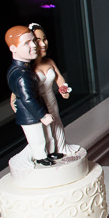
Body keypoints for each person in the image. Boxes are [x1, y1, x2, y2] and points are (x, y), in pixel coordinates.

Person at [4, 26, 55, 167]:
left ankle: (49, 153)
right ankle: (41, 157)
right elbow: (28, 99)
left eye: (33, 41)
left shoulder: (24, 70)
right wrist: (42, 116)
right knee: (37, 138)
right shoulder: (22, 75)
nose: (34, 45)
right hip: (30, 114)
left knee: (48, 135)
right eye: (27, 43)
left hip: (36, 111)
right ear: (13, 48)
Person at [28, 22, 70, 158]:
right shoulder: (28, 68)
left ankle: (61, 148)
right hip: (40, 103)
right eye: (37, 41)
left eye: (44, 39)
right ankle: (48, 153)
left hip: (51, 99)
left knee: (57, 123)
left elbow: (59, 79)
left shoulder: (49, 61)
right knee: (44, 129)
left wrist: (64, 89)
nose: (43, 44)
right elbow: (19, 90)